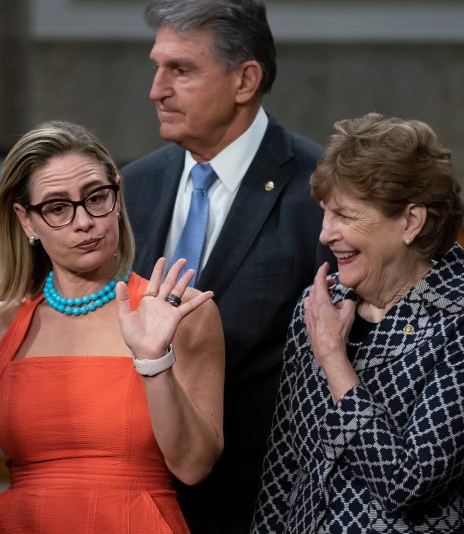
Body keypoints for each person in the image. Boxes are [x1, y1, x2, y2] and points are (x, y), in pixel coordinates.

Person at [122, 1, 334, 531]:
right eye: (157, 66)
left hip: (266, 502)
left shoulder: (320, 190)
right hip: (142, 496)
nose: (156, 90)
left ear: (245, 80)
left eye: (181, 70)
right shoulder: (135, 184)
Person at [0, 120, 225, 532]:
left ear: (117, 196)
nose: (84, 222)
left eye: (96, 198)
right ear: (26, 220)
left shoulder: (181, 312)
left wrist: (154, 360)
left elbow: (193, 466)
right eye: (58, 208)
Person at [252, 113, 464, 532]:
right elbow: (284, 470)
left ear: (410, 221)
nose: (324, 234)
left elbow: (407, 480)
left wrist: (335, 361)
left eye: (345, 216)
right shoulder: (319, 304)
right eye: (324, 214)